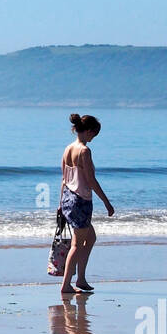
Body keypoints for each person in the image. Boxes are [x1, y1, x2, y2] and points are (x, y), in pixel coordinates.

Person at [59, 113, 114, 295]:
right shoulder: (84, 151)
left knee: (90, 238)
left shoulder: (68, 149)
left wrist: (61, 204)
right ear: (89, 131)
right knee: (77, 244)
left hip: (68, 199)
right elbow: (90, 180)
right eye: (94, 135)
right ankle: (66, 284)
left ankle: (81, 279)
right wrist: (107, 203)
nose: (93, 139)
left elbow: (64, 179)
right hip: (80, 200)